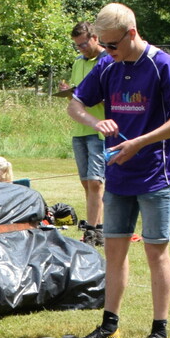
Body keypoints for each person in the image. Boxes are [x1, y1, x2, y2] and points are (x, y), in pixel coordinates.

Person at [69, 3, 170, 338]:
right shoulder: (108, 65)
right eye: (103, 44)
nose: (107, 51)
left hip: (156, 175)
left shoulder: (163, 65)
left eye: (112, 44)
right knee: (114, 251)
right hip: (118, 175)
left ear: (132, 33)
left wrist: (139, 142)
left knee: (156, 251)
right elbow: (75, 105)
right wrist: (95, 123)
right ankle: (109, 326)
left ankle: (160, 333)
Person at [66, 21, 108, 245]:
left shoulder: (107, 61)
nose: (81, 49)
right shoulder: (77, 62)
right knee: (86, 182)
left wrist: (90, 98)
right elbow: (78, 93)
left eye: (83, 44)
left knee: (95, 182)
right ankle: (98, 226)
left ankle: (93, 231)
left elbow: (109, 94)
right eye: (77, 45)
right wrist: (69, 92)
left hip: (99, 130)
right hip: (80, 130)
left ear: (95, 38)